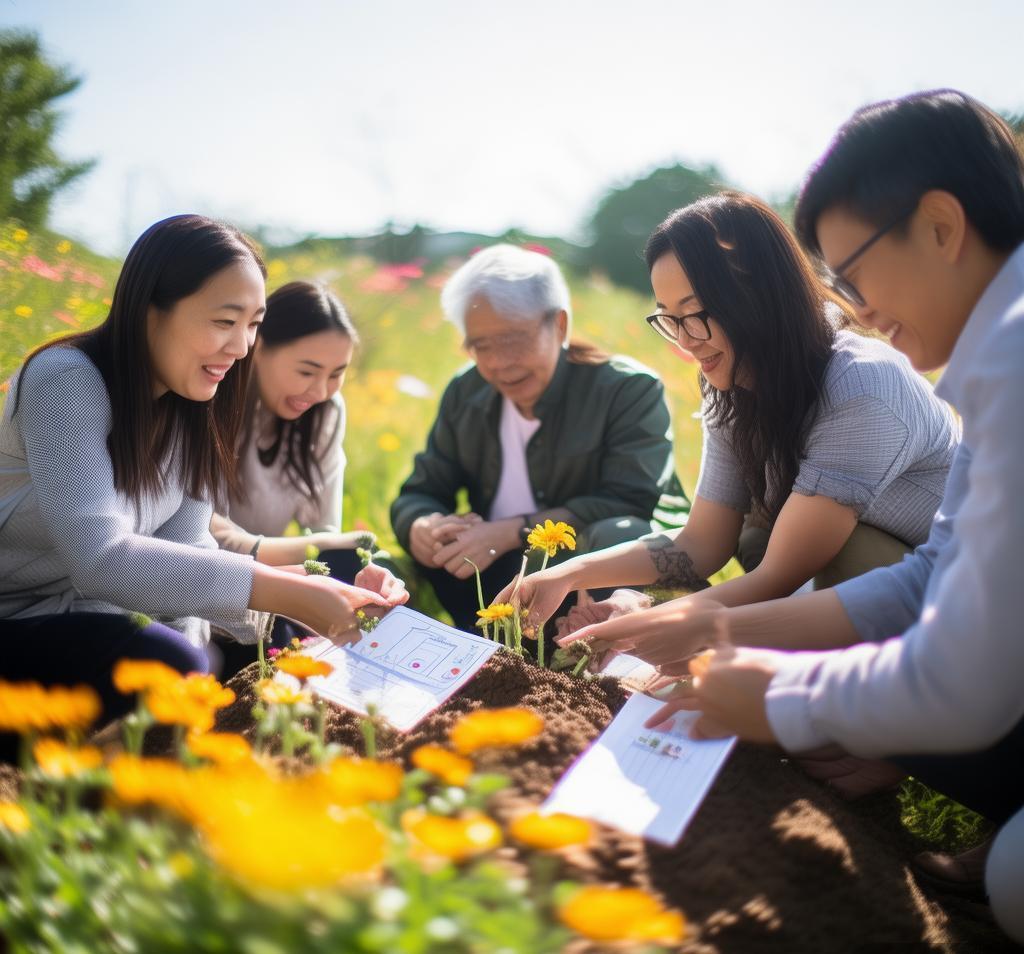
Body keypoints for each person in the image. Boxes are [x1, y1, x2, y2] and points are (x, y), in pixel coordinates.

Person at [623, 91, 1022, 943]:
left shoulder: (988, 361)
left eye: (855, 270)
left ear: (942, 227)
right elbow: (928, 579)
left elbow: (966, 687)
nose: (857, 303)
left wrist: (775, 691)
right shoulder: (991, 360)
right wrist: (710, 638)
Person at [0, 214, 403, 755]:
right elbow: (98, 559)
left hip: (82, 620)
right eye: (224, 321)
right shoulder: (67, 379)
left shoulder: (195, 406)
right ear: (150, 310)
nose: (241, 347)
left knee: (233, 645)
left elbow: (189, 551)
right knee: (173, 665)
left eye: (254, 324)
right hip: (18, 622)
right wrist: (285, 594)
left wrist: (315, 600)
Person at [498, 193, 957, 633]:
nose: (684, 339)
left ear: (760, 296)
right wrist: (567, 574)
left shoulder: (861, 386)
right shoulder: (733, 381)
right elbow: (701, 544)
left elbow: (778, 576)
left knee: (805, 544)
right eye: (667, 318)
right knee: (755, 530)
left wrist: (642, 622)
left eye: (694, 312)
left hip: (965, 596)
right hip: (872, 580)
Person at [390, 243, 688, 632]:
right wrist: (421, 525)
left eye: (514, 341)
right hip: (503, 581)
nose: (498, 362)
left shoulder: (626, 389)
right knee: (378, 561)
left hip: (602, 579)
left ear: (560, 326)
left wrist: (512, 531)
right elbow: (421, 490)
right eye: (481, 346)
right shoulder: (466, 392)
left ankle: (606, 660)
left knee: (618, 532)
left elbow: (629, 500)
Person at [208, 280, 406, 675]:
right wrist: (317, 549)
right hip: (215, 578)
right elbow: (203, 533)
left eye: (337, 374)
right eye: (306, 371)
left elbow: (325, 528)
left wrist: (350, 565)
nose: (320, 390)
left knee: (376, 577)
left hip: (282, 572)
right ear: (258, 347)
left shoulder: (326, 411)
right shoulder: (211, 401)